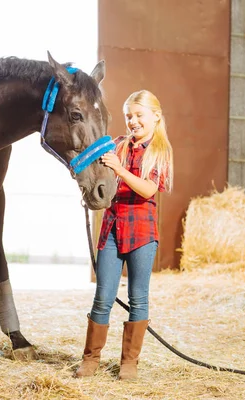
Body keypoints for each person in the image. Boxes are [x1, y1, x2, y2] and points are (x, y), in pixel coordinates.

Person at [75, 90, 174, 380]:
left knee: (138, 299)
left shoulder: (160, 152)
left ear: (155, 116)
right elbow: (88, 162)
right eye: (128, 116)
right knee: (102, 297)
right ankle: (90, 359)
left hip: (142, 235)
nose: (132, 121)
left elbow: (148, 190)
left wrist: (119, 169)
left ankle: (129, 363)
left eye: (139, 115)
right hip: (112, 232)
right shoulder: (117, 145)